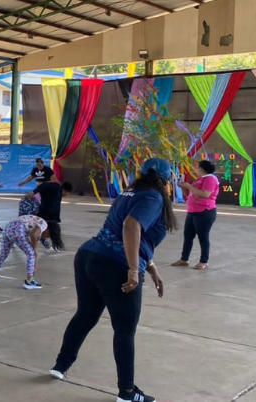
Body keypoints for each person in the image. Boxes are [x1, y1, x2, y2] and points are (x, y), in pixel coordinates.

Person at [50, 158, 173, 402]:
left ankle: (60, 366)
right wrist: (132, 269)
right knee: (125, 330)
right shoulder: (153, 197)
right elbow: (131, 226)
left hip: (90, 255)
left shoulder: (129, 192)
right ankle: (127, 393)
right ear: (164, 180)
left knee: (85, 315)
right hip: (115, 265)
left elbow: (127, 234)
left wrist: (151, 268)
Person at [0, 215, 63, 289]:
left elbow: (35, 253)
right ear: (49, 230)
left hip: (9, 227)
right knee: (31, 253)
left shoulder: (38, 225)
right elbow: (33, 235)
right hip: (18, 229)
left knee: (4, 253)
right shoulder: (43, 224)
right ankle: (29, 281)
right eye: (49, 235)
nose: (47, 237)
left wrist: (34, 267)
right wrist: (34, 249)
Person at [173, 160, 219, 270]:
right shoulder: (200, 180)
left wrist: (189, 186)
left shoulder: (210, 179)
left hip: (204, 211)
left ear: (202, 169)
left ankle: (204, 261)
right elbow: (190, 194)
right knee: (188, 235)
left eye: (198, 168)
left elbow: (205, 194)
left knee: (203, 236)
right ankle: (184, 259)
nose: (196, 171)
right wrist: (184, 187)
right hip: (193, 211)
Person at [24, 181, 73, 250]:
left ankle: (44, 243)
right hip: (45, 213)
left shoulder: (58, 192)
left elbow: (56, 206)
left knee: (41, 229)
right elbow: (44, 185)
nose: (67, 195)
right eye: (68, 193)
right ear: (66, 191)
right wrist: (33, 192)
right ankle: (34, 245)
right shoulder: (56, 187)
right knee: (39, 229)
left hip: (47, 214)